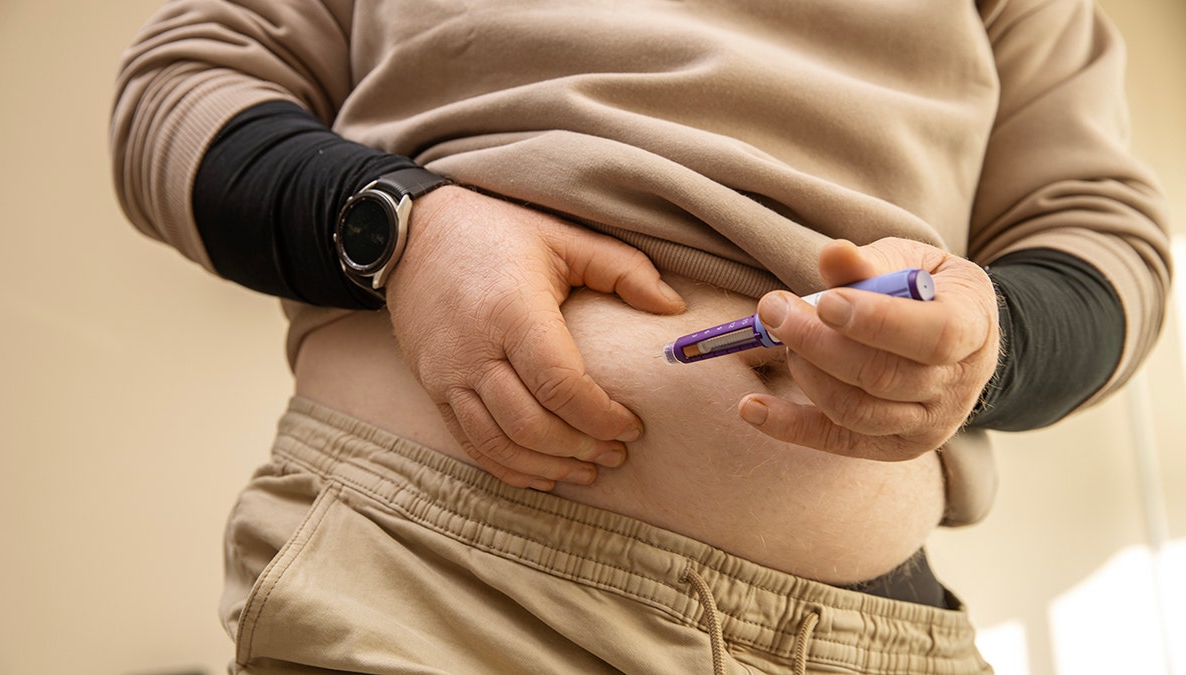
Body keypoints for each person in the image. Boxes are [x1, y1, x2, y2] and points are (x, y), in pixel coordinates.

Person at [110, 1, 1171, 673]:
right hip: (433, 577)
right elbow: (179, 91)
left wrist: (991, 344)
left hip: (863, 637)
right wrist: (403, 224)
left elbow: (1104, 238)